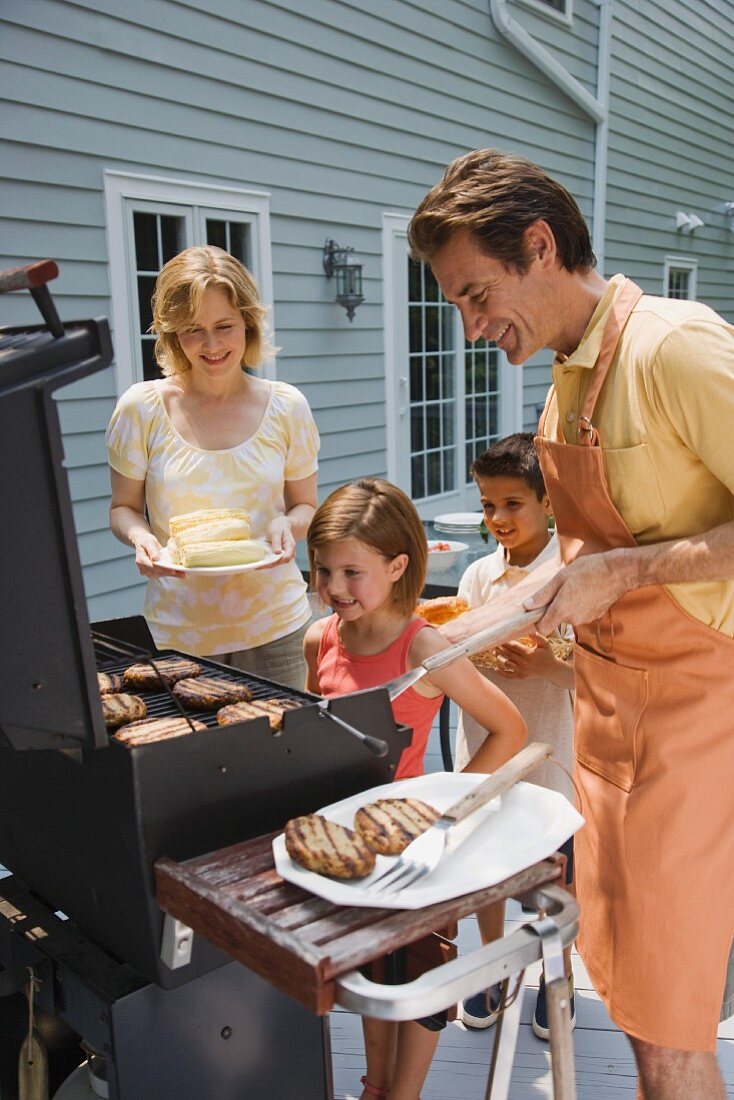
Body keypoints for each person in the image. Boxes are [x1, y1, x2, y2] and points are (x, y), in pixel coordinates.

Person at [408, 148, 734, 1099]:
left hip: (693, 728)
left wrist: (624, 571)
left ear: (540, 246)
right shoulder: (567, 380)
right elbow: (589, 556)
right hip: (610, 728)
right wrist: (477, 624)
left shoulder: (674, 347)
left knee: (674, 1029)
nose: (470, 329)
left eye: (476, 295)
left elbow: (627, 562)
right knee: (633, 1004)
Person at [304, 477, 528, 1100]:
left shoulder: (421, 648)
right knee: (372, 969)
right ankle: (376, 1086)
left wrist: (447, 808)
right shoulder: (319, 638)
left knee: (422, 976)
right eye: (323, 571)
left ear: (398, 565)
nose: (334, 588)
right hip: (348, 845)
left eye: (353, 572)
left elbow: (509, 728)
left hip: (414, 849)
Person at [106, 245, 319, 689]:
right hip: (181, 634)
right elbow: (122, 509)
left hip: (277, 628)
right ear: (171, 335)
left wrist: (288, 524)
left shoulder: (287, 407)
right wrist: (142, 537)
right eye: (193, 330)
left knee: (284, 756)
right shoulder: (141, 408)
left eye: (224, 326)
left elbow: (306, 506)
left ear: (248, 322)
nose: (212, 345)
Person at [453, 433, 576, 1041]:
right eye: (487, 504)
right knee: (484, 870)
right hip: (483, 751)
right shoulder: (477, 577)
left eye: (512, 504)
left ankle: (558, 974)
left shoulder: (571, 575)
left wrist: (546, 667)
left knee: (552, 872)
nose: (497, 518)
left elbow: (595, 674)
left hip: (551, 754)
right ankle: (496, 964)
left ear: (548, 503)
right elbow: (452, 648)